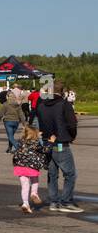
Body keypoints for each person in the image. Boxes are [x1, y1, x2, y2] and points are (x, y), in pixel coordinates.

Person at [36, 81, 82, 213]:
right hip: (61, 142)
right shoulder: (64, 104)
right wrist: (71, 136)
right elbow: (72, 124)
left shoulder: (41, 104)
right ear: (62, 92)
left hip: (46, 142)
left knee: (52, 174)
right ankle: (66, 202)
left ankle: (54, 201)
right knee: (70, 174)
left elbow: (39, 120)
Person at [12, 124, 47, 214]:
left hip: (19, 166)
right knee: (34, 180)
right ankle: (34, 193)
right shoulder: (36, 143)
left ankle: (25, 203)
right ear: (35, 134)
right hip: (32, 166)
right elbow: (44, 150)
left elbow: (14, 150)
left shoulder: (20, 141)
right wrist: (50, 143)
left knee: (24, 185)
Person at [1, 86, 27, 152]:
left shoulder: (5, 104)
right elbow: (21, 114)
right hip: (16, 122)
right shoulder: (17, 105)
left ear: (7, 97)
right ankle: (9, 148)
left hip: (8, 121)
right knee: (11, 136)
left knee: (10, 136)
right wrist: (24, 123)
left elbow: (1, 113)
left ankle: (18, 147)